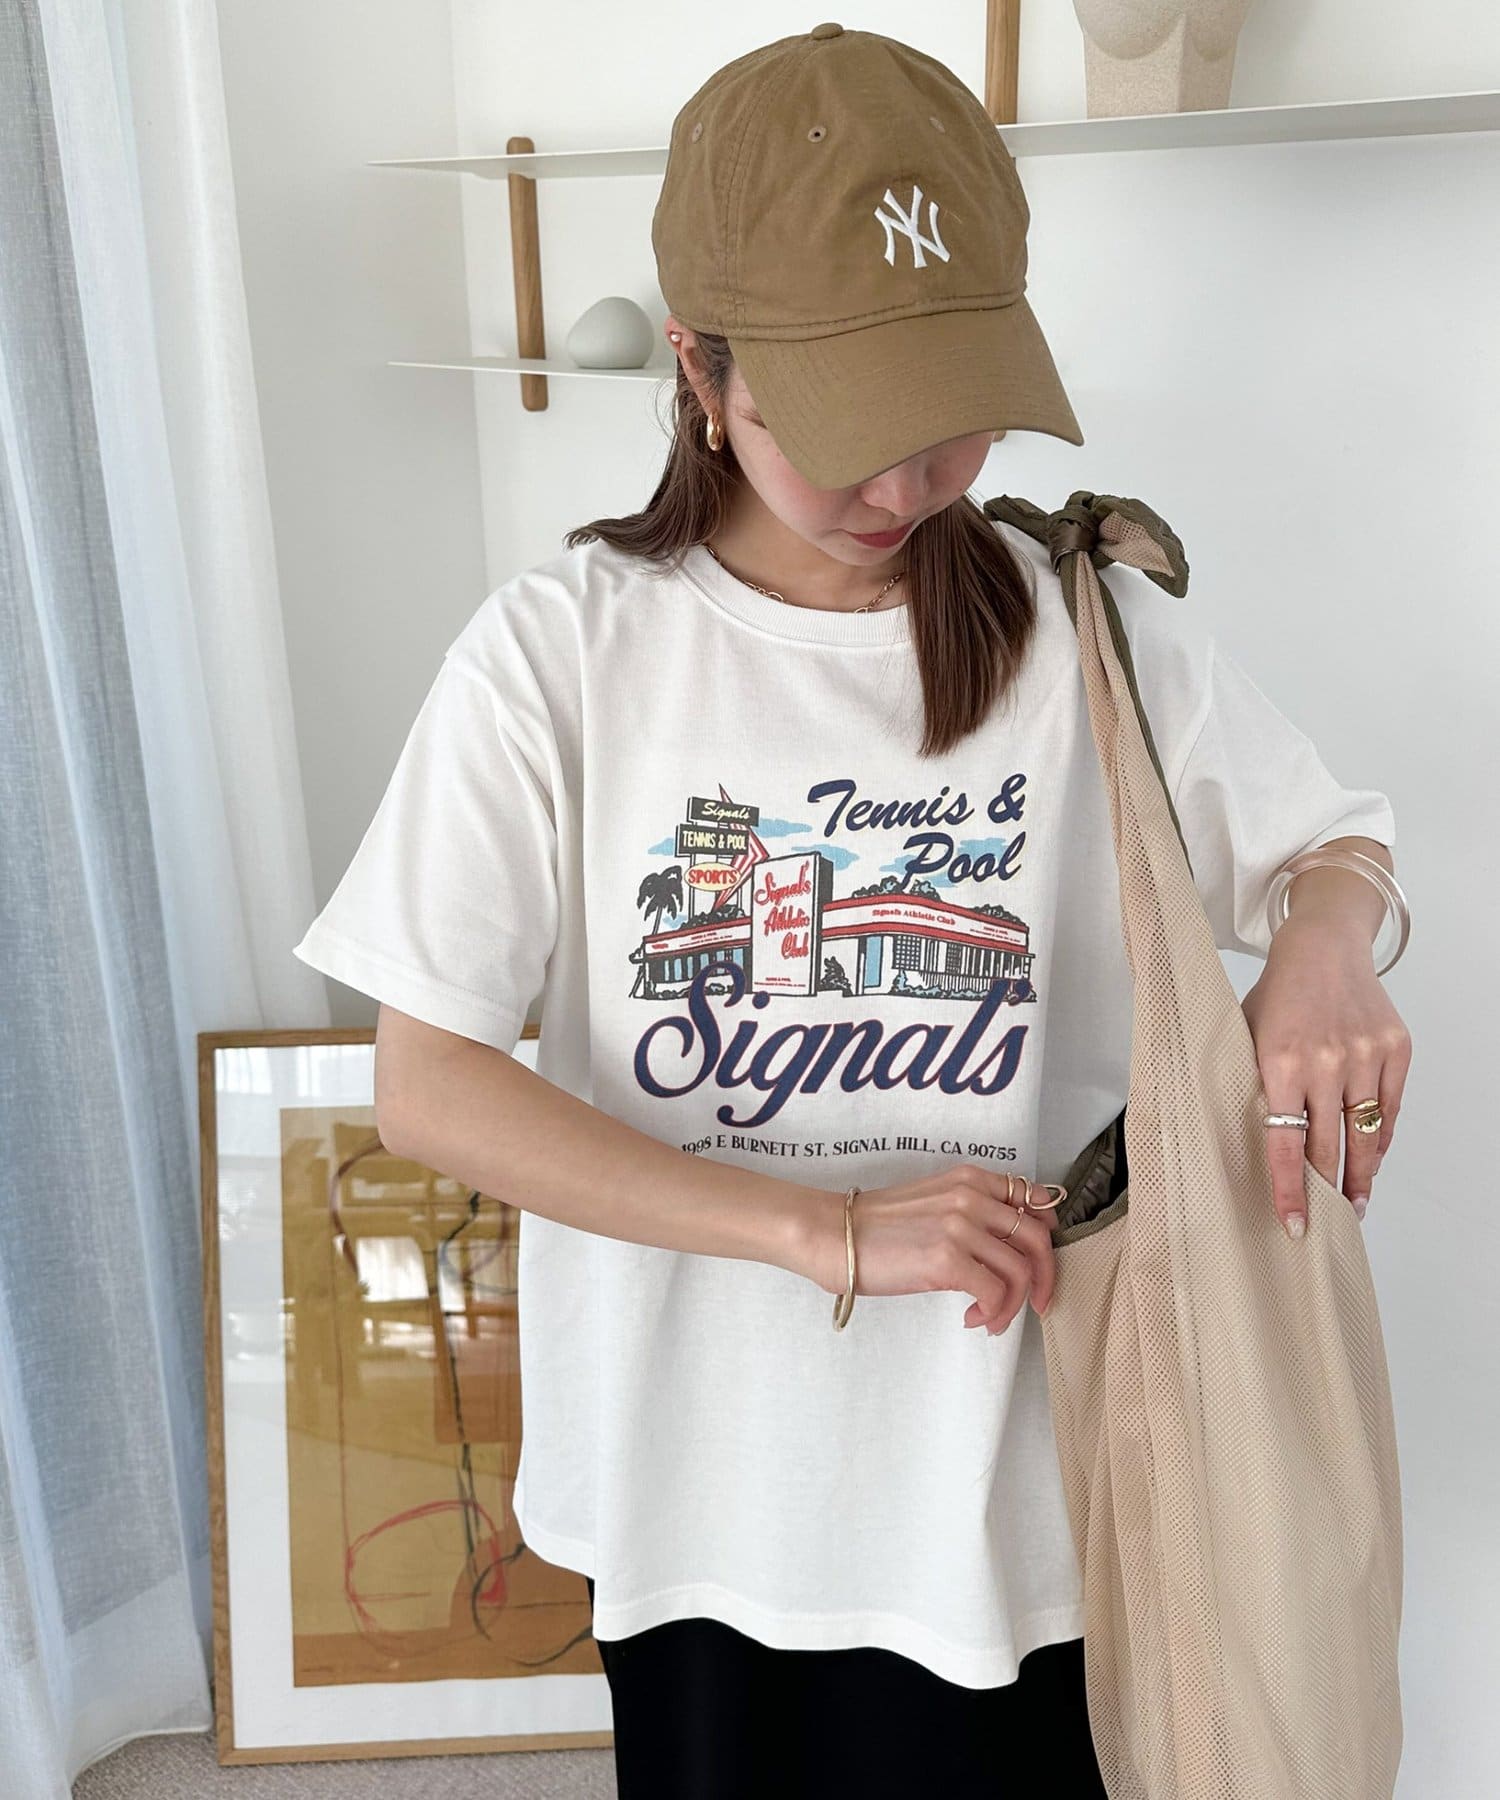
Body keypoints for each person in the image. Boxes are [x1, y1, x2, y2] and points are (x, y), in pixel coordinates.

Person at [292, 25, 1410, 1797]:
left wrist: (1327, 951)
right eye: (845, 431)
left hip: (1029, 1480)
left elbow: (1328, 844)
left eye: (947, 417)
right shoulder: (560, 655)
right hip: (701, 1484)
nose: (904, 488)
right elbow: (428, 1086)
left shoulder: (1080, 628)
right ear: (699, 368)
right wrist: (826, 1232)